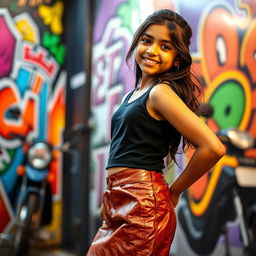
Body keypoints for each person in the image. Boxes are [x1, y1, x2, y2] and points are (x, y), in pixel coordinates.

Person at [86, 9, 226, 256]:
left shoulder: (161, 93)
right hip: (120, 199)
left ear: (178, 60)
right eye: (147, 40)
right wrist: (110, 198)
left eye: (165, 47)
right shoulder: (133, 95)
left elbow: (213, 148)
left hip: (142, 206)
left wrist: (175, 190)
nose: (152, 50)